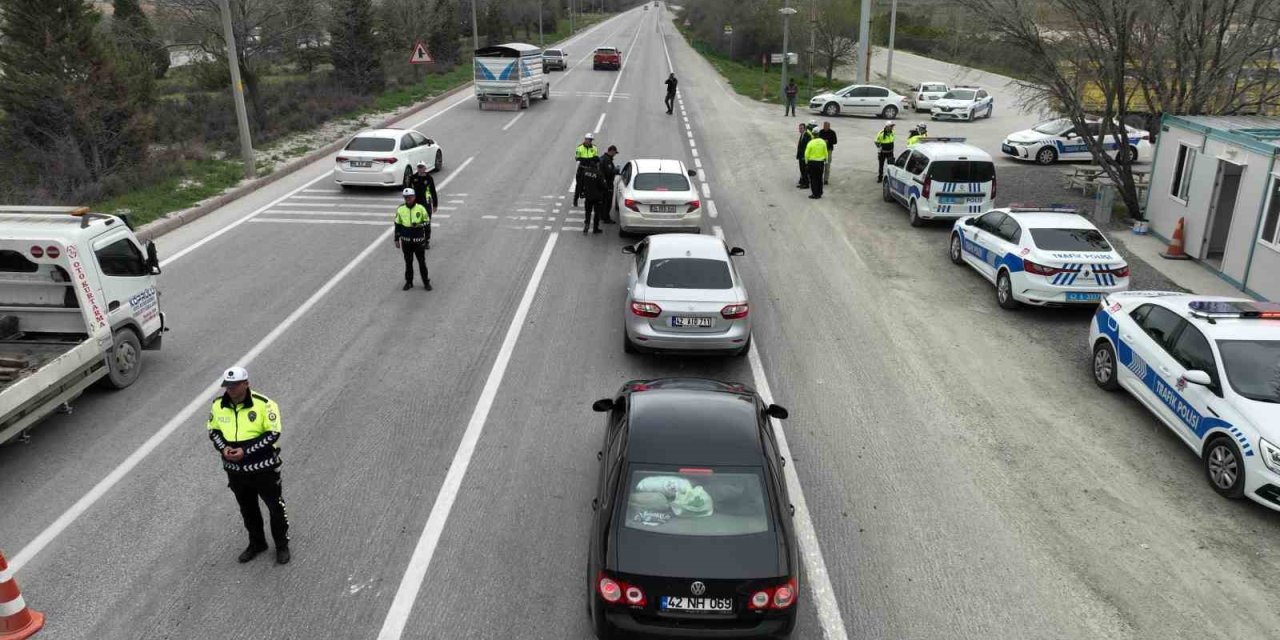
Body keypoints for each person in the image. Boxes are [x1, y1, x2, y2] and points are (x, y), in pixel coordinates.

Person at [208, 366, 290, 565]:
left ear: (246, 383)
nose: (231, 390)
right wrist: (224, 448)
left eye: (235, 385)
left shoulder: (265, 404)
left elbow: (273, 433)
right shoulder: (218, 405)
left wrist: (246, 451)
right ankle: (257, 543)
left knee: (275, 508)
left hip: (264, 470)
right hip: (235, 472)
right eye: (227, 386)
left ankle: (281, 545)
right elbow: (213, 431)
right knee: (248, 509)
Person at [394, 188, 431, 291]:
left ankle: (426, 282)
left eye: (410, 197)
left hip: (418, 241)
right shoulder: (400, 209)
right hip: (406, 242)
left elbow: (427, 223)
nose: (408, 199)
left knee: (422, 262)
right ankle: (409, 282)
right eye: (406, 197)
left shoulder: (421, 208)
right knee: (408, 263)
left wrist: (426, 237)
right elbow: (397, 224)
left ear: (414, 197)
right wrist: (396, 239)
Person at [408, 162, 438, 249]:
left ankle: (426, 241)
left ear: (425, 168)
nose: (420, 169)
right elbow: (408, 191)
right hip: (416, 204)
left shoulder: (429, 178)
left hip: (427, 204)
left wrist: (435, 205)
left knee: (426, 224)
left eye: (422, 167)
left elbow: (433, 191)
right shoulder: (413, 178)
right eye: (419, 167)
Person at [579, 157, 607, 234]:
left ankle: (587, 225)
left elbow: (580, 183)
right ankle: (595, 228)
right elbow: (604, 186)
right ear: (597, 163)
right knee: (596, 213)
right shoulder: (599, 173)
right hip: (597, 197)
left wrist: (581, 193)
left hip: (588, 196)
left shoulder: (585, 171)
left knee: (588, 212)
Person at [573, 133, 599, 207]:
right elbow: (577, 158)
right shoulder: (579, 147)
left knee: (592, 185)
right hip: (582, 168)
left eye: (591, 140)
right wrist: (589, 160)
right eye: (589, 140)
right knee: (579, 185)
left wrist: (587, 160)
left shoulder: (594, 148)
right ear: (585, 139)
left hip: (591, 169)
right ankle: (575, 199)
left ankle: (591, 201)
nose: (590, 141)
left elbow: (596, 159)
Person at [599, 145, 620, 223]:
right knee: (607, 202)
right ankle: (606, 218)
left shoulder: (602, 158)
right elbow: (609, 172)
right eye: (615, 153)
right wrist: (616, 170)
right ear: (612, 151)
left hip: (602, 183)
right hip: (607, 184)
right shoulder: (607, 160)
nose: (615, 154)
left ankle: (601, 215)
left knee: (603, 201)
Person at [804, 133, 829, 199]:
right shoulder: (823, 142)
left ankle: (815, 194)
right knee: (820, 178)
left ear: (813, 135)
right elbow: (826, 152)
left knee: (813, 179)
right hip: (820, 163)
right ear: (818, 135)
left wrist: (806, 162)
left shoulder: (811, 142)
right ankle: (820, 193)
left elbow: (806, 153)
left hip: (812, 163)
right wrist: (826, 161)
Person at [794, 123, 814, 188]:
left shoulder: (807, 135)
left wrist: (805, 156)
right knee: (802, 170)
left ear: (805, 128)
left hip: (804, 156)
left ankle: (806, 184)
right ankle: (803, 182)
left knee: (804, 170)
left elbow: (808, 147)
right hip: (801, 156)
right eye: (799, 128)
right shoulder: (802, 134)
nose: (800, 129)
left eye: (801, 128)